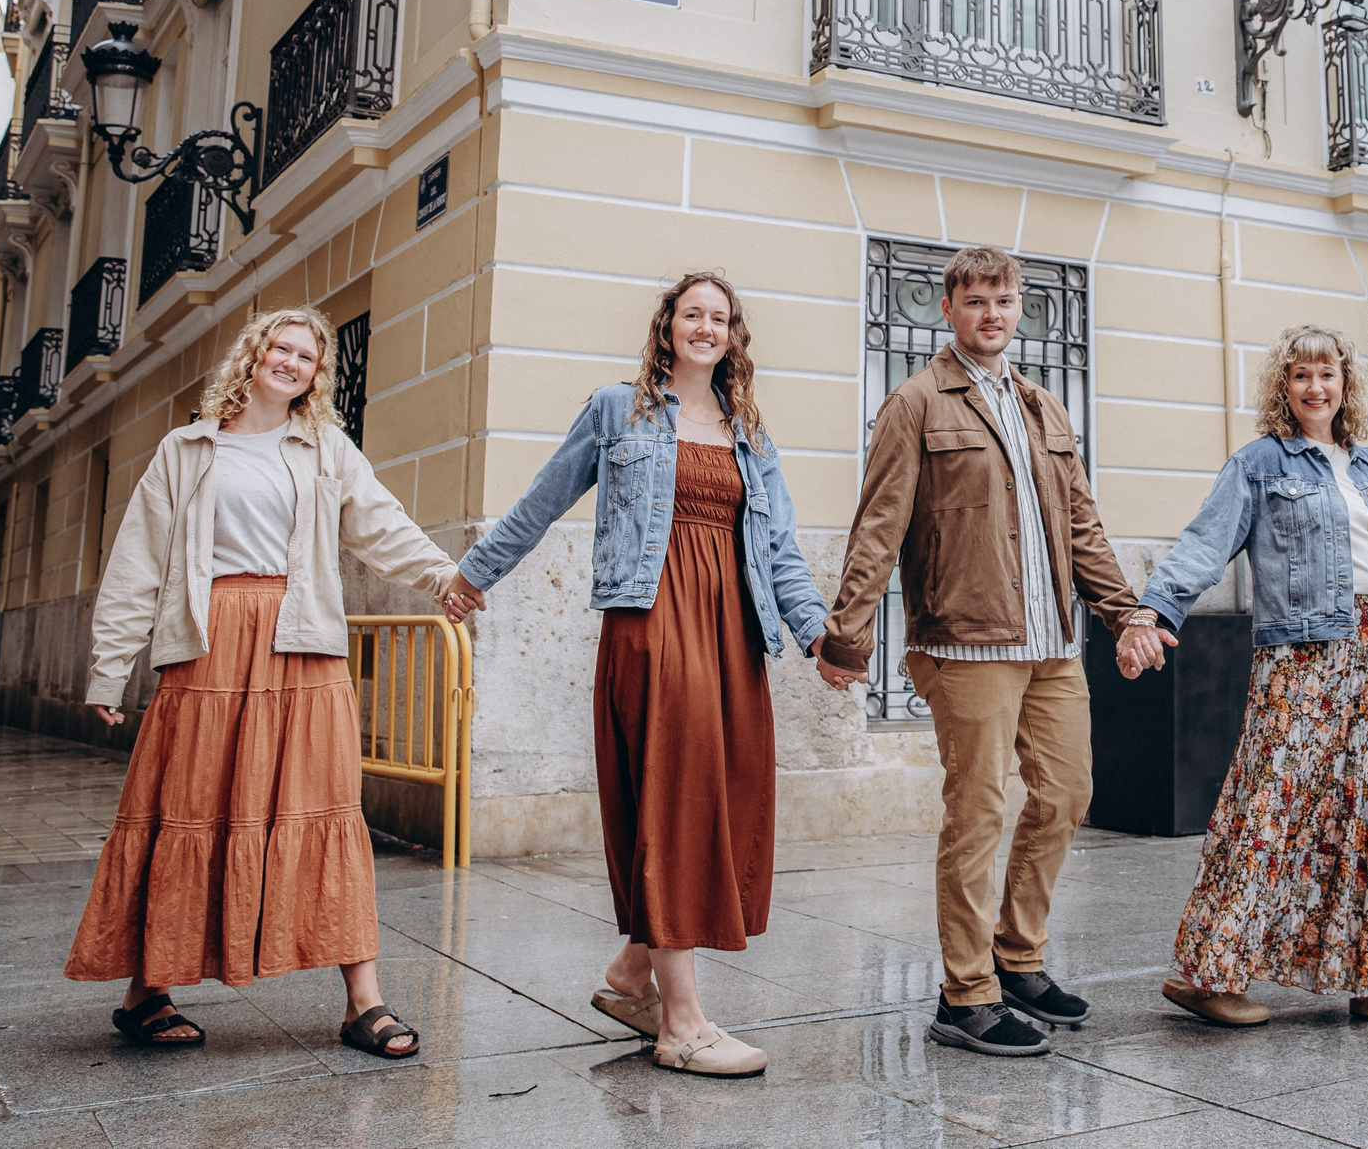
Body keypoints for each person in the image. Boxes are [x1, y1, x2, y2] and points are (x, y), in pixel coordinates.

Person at [442, 273, 829, 1078]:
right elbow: (543, 499)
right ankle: (682, 1024)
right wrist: (476, 572)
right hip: (653, 623)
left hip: (733, 631)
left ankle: (631, 976)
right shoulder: (618, 408)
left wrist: (816, 633)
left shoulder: (749, 431)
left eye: (720, 317)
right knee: (678, 799)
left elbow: (782, 547)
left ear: (733, 336)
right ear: (668, 324)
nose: (706, 326)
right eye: (693, 312)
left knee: (718, 794)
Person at [68, 307, 462, 1059]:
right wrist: (108, 667)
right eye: (279, 347)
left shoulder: (325, 450)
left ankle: (363, 1001)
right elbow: (136, 563)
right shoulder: (186, 450)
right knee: (188, 808)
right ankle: (146, 991)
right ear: (252, 356)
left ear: (315, 375)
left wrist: (442, 574)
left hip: (303, 641)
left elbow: (381, 524)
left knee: (324, 808)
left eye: (305, 356)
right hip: (210, 643)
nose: (290, 361)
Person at [815, 245, 1152, 1058]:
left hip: (1050, 645)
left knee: (1068, 793)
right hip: (966, 645)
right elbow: (879, 525)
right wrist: (847, 635)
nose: (991, 314)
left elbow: (1082, 524)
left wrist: (1126, 611)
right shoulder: (916, 402)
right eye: (975, 302)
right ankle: (964, 994)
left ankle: (1018, 955)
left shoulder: (1042, 407)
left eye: (1004, 301)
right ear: (950, 310)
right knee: (979, 814)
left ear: (1018, 309)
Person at [1129, 324, 1368, 1029]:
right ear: (1284, 388)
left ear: (1346, 385)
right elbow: (1206, 541)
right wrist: (1153, 609)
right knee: (1271, 808)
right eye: (1300, 376)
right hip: (1301, 656)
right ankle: (1209, 973)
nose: (1315, 387)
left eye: (1327, 375)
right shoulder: (1261, 463)